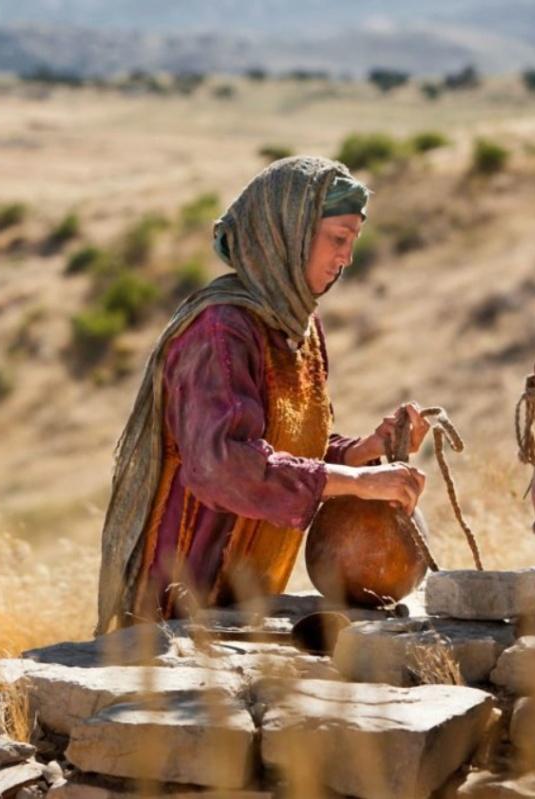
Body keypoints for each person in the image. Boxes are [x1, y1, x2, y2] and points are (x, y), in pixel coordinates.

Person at [94, 156, 429, 633]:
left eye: (353, 242)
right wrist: (357, 483)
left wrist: (364, 452)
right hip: (180, 595)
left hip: (243, 595)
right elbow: (224, 465)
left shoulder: (299, 326)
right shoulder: (219, 330)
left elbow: (283, 445)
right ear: (286, 233)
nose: (346, 258)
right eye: (337, 238)